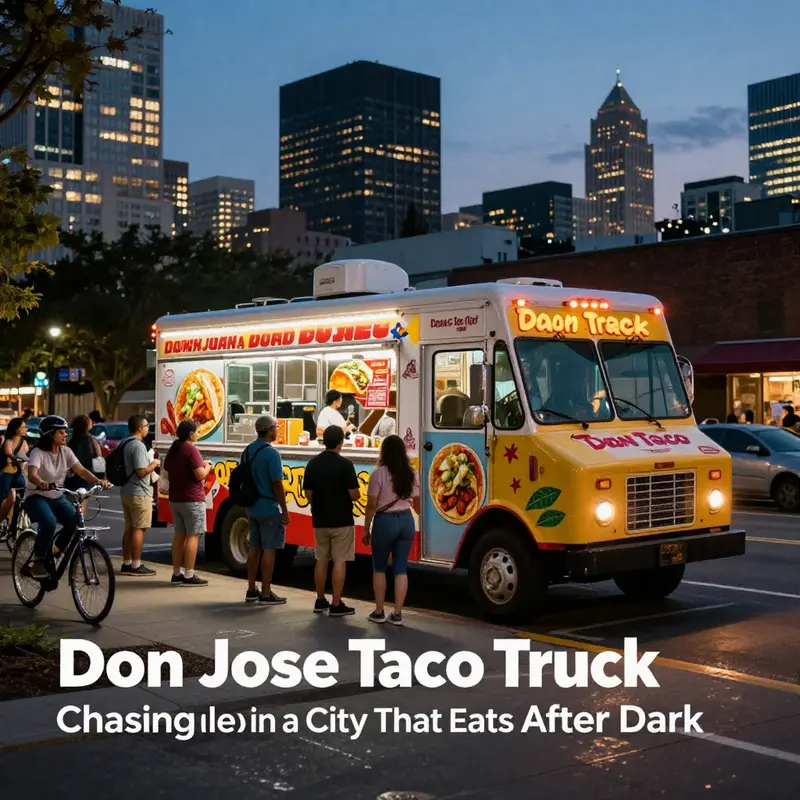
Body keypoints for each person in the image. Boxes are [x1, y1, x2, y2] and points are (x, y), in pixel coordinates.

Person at [24, 415, 108, 579]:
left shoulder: (66, 451)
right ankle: (39, 560)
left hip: (57, 496)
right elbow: (32, 473)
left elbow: (81, 470)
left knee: (76, 521)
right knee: (48, 523)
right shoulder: (38, 452)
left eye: (65, 432)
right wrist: (41, 482)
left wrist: (99, 481)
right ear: (50, 434)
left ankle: (56, 549)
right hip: (37, 496)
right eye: (61, 432)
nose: (65, 435)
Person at [362, 434, 420, 626]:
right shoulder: (411, 473)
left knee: (379, 567)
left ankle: (379, 611)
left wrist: (366, 528)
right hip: (406, 520)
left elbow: (371, 505)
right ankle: (397, 614)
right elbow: (417, 506)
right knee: (401, 568)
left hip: (384, 522)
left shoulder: (379, 474)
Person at [303, 425, 360, 616]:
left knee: (321, 559)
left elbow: (308, 493)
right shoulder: (346, 465)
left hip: (320, 519)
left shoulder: (312, 464)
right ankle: (336, 604)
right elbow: (354, 494)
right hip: (342, 520)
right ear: (340, 443)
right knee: (339, 560)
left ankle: (320, 600)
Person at [163, 419, 213, 587]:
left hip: (175, 499)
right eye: (197, 432)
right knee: (194, 535)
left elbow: (168, 468)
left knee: (179, 535)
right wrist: (208, 466)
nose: (199, 434)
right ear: (191, 434)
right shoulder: (191, 450)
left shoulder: (174, 449)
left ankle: (177, 573)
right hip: (192, 499)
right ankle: (189, 574)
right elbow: (200, 475)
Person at [245, 414, 289, 605]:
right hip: (269, 507)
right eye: (276, 427)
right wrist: (285, 511)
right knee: (269, 549)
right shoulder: (272, 454)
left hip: (252, 506)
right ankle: (266, 591)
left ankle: (251, 588)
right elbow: (277, 483)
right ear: (270, 430)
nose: (277, 431)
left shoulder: (247, 451)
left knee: (254, 547)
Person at [119, 415, 160, 576]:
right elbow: (142, 471)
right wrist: (154, 464)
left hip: (127, 491)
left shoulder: (124, 442)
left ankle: (126, 562)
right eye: (146, 426)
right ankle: (136, 564)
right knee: (139, 528)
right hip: (139, 492)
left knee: (129, 527)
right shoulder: (138, 446)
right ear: (139, 428)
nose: (148, 428)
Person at [66, 415, 104, 515]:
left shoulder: (70, 439)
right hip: (87, 475)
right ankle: (79, 521)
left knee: (71, 501)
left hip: (71, 475)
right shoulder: (92, 440)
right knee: (82, 502)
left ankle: (73, 521)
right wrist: (101, 477)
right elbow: (99, 459)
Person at [0, 417, 29, 531]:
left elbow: (26, 456)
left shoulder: (24, 442)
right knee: (5, 497)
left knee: (23, 491)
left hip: (18, 473)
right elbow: (8, 453)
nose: (26, 429)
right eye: (23, 427)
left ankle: (13, 519)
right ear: (16, 429)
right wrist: (15, 458)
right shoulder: (8, 441)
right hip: (6, 473)